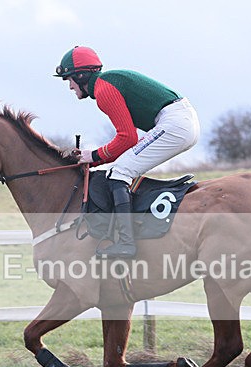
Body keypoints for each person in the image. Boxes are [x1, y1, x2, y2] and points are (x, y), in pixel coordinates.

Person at [55, 45, 200, 258]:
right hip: (179, 121)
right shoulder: (106, 83)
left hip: (174, 124)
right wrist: (94, 160)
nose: (69, 86)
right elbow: (127, 141)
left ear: (81, 75)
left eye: (69, 79)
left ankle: (126, 243)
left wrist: (93, 156)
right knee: (121, 168)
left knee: (119, 172)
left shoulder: (103, 90)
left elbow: (127, 138)